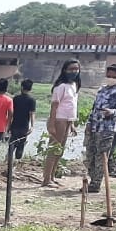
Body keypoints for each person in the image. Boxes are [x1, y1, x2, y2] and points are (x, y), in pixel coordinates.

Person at [84, 64, 116, 193]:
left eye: (113, 77)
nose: (110, 78)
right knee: (89, 154)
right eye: (108, 76)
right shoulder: (102, 89)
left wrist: (112, 112)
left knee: (101, 156)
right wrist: (89, 123)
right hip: (94, 127)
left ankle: (96, 184)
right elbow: (94, 108)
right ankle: (92, 179)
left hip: (107, 128)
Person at [42, 59, 82, 187]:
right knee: (53, 149)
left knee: (60, 150)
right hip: (59, 120)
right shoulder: (61, 86)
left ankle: (52, 176)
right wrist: (52, 124)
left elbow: (71, 106)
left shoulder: (74, 85)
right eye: (71, 69)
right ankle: (46, 179)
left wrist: (72, 124)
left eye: (76, 69)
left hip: (67, 121)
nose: (74, 71)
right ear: (65, 70)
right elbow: (54, 106)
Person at [10, 78, 37, 160]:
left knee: (12, 144)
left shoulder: (15, 98)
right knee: (21, 145)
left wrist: (8, 125)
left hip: (14, 125)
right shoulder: (32, 100)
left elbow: (11, 113)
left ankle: (8, 162)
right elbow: (32, 113)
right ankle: (17, 162)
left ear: (22, 87)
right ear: (30, 88)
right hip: (24, 127)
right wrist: (32, 126)